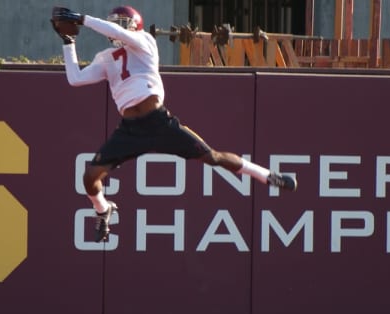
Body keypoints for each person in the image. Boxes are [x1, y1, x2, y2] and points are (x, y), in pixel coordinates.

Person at [51, 5, 297, 243]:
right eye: (113, 24)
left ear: (134, 26)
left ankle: (267, 175)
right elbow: (76, 78)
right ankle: (103, 209)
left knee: (212, 157)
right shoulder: (105, 58)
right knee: (90, 177)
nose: (115, 29)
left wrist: (83, 18)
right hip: (130, 129)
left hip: (159, 122)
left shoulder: (145, 41)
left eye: (121, 24)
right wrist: (68, 43)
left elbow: (117, 33)